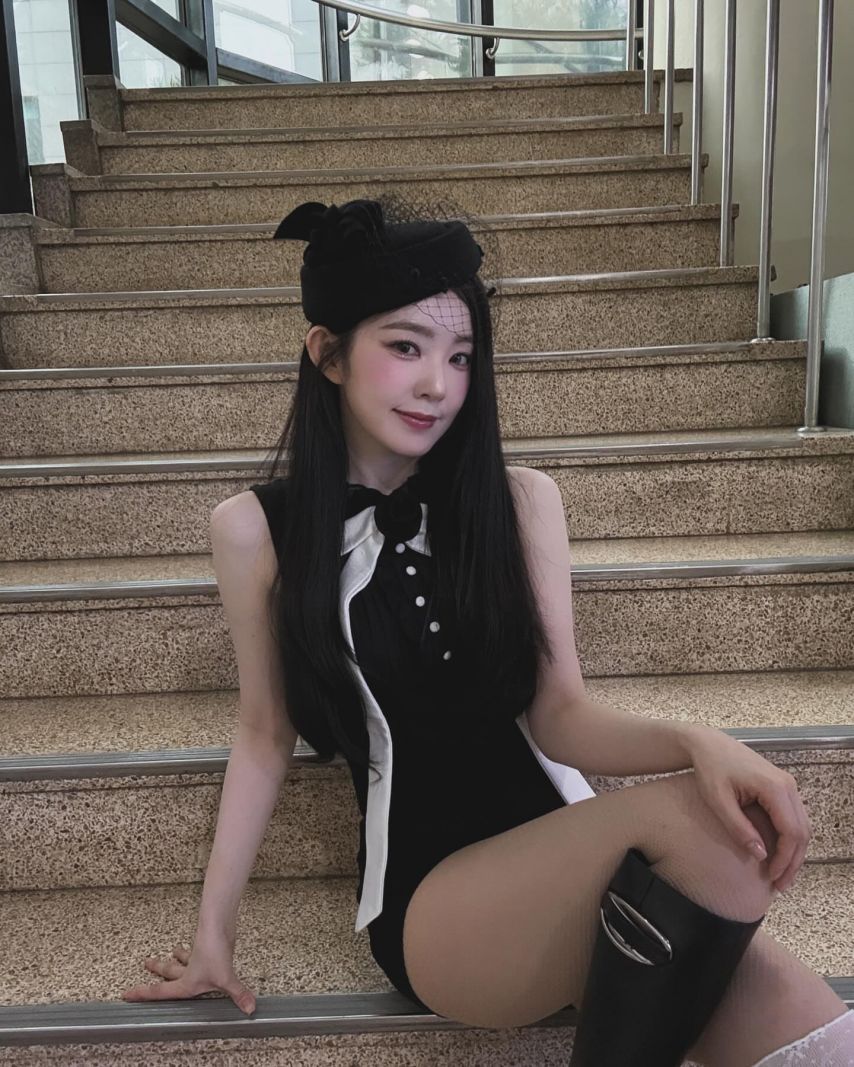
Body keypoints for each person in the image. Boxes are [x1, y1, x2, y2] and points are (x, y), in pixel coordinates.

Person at [122, 196, 854, 1066]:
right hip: (435, 902)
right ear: (327, 353)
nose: (439, 383)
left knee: (823, 1037)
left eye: (461, 355)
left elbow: (561, 716)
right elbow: (263, 732)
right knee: (711, 827)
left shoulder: (521, 500)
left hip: (574, 851)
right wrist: (215, 933)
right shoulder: (254, 529)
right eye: (406, 347)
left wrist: (698, 740)